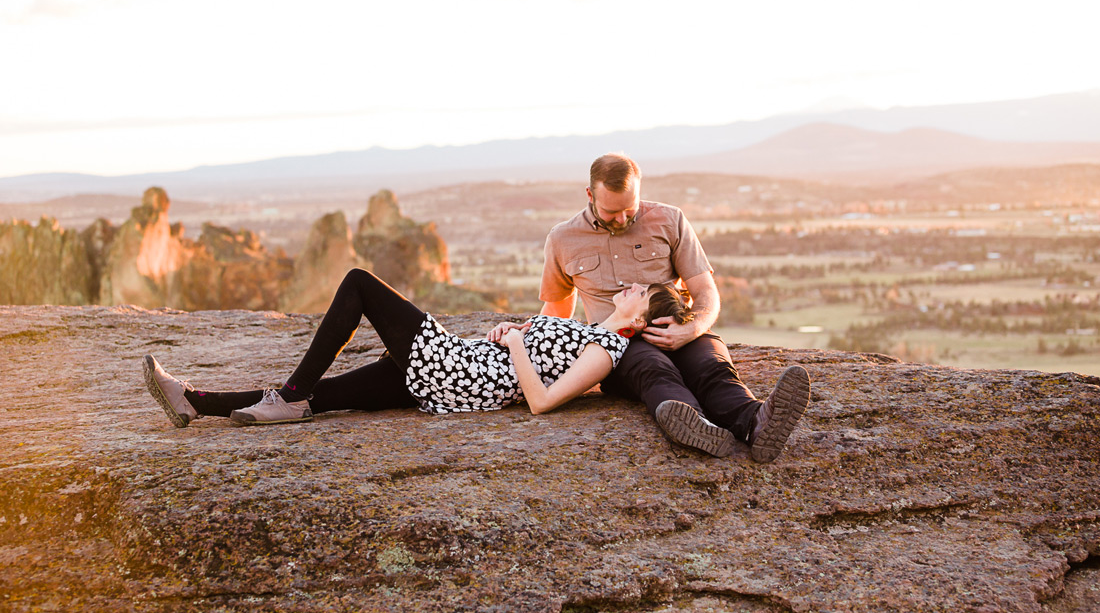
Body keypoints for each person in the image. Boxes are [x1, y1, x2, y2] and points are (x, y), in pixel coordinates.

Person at [143, 267, 693, 427]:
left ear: (641, 319)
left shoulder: (608, 351)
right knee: (328, 397)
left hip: (453, 370)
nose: (629, 286)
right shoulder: (593, 333)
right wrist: (511, 336)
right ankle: (196, 401)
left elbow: (543, 402)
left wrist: (520, 342)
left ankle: (288, 394)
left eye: (640, 292)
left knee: (359, 283)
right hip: (453, 371)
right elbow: (531, 354)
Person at [540, 153, 810, 463]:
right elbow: (558, 312)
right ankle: (699, 427)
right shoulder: (563, 238)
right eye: (612, 211)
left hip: (681, 324)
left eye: (630, 208)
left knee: (713, 369)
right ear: (590, 195)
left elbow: (705, 291)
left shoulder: (669, 219)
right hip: (619, 344)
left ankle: (756, 423)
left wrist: (692, 327)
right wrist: (526, 341)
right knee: (653, 370)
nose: (622, 218)